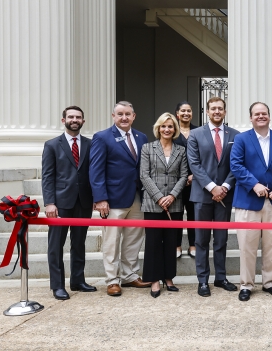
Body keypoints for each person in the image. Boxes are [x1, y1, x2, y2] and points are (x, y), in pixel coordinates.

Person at [229, 102, 272, 301]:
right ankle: (246, 285)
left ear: (269, 116)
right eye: (256, 114)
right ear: (251, 117)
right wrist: (254, 184)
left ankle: (269, 282)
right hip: (249, 201)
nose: (260, 116)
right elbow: (236, 165)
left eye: (264, 113)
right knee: (247, 247)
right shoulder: (241, 139)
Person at [90, 101, 150, 296]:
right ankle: (112, 280)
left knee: (133, 239)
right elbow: (96, 170)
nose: (124, 118)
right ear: (113, 116)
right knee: (111, 241)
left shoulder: (142, 137)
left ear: (134, 116)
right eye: (120, 114)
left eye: (128, 114)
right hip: (113, 199)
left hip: (137, 197)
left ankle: (130, 275)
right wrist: (100, 199)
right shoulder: (102, 137)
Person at [186, 97, 240, 297]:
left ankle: (221, 277)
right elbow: (194, 164)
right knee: (201, 240)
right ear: (207, 111)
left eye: (220, 108)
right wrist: (212, 187)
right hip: (202, 195)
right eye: (213, 108)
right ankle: (202, 280)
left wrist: (224, 187)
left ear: (225, 112)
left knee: (221, 239)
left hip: (225, 196)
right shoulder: (195, 134)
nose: (217, 111)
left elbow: (237, 164)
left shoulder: (235, 135)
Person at [42, 106, 96, 300]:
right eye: (71, 117)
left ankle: (78, 280)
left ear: (83, 121)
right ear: (63, 120)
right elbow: (47, 177)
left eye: (78, 117)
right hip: (60, 202)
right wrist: (49, 203)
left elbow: (94, 174)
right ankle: (57, 285)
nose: (75, 119)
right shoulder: (51, 145)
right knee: (56, 245)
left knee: (79, 243)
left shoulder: (91, 144)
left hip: (84, 200)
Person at [140, 113, 188, 298]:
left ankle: (169, 278)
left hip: (174, 204)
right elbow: (144, 175)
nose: (167, 129)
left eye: (170, 126)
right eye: (163, 126)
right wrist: (160, 197)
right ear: (158, 128)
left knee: (171, 242)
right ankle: (153, 280)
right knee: (153, 243)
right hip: (153, 203)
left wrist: (173, 195)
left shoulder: (180, 150)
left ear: (175, 129)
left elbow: (184, 176)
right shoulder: (147, 148)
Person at [173, 101, 198, 259]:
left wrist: (194, 175)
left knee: (193, 213)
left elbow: (204, 156)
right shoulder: (171, 130)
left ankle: (193, 245)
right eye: (183, 111)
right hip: (175, 181)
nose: (186, 113)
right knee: (176, 213)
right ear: (177, 114)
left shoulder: (199, 131)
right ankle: (176, 245)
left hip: (195, 180)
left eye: (189, 111)